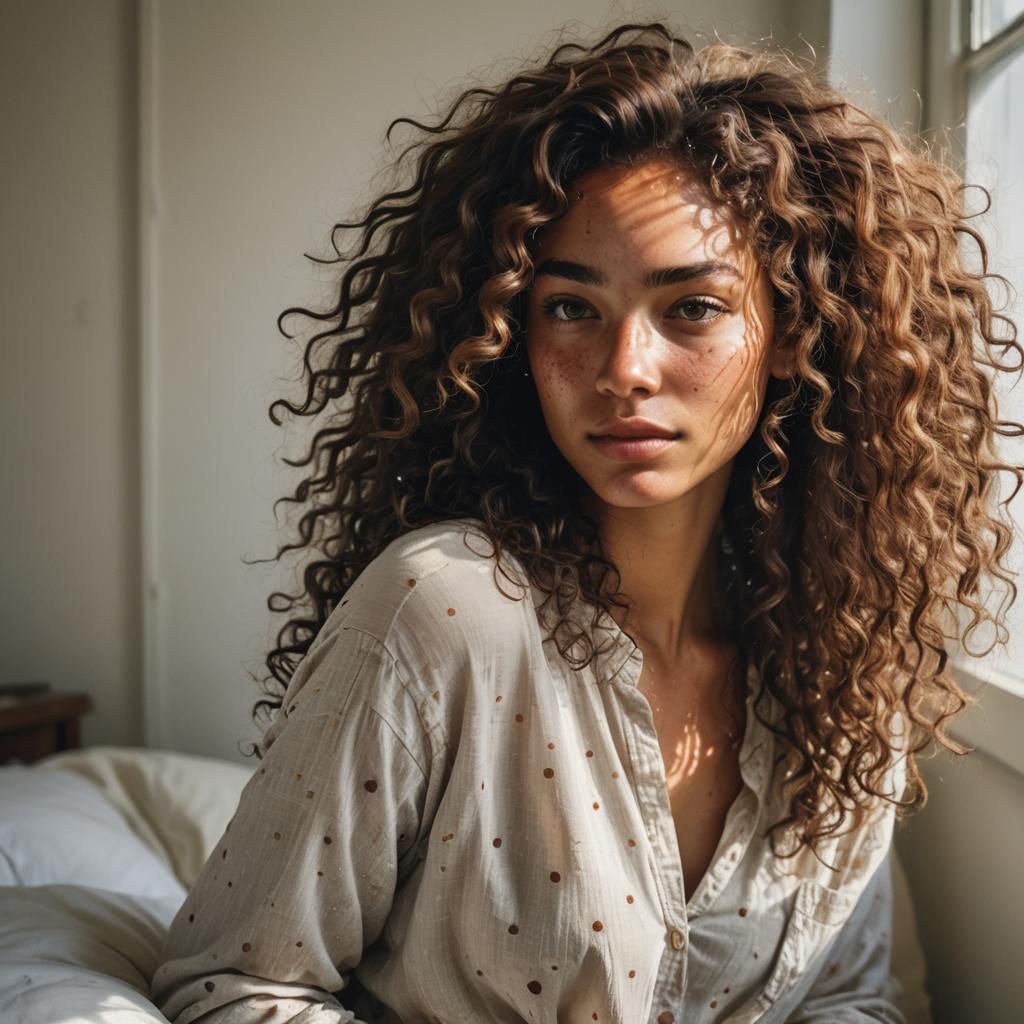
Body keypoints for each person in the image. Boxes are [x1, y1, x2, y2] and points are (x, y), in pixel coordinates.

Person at [150, 21, 1022, 1024]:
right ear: (511, 332)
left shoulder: (843, 666)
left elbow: (851, 997)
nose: (623, 370)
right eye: (570, 307)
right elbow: (229, 986)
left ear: (792, 332)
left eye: (691, 308)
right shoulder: (441, 610)